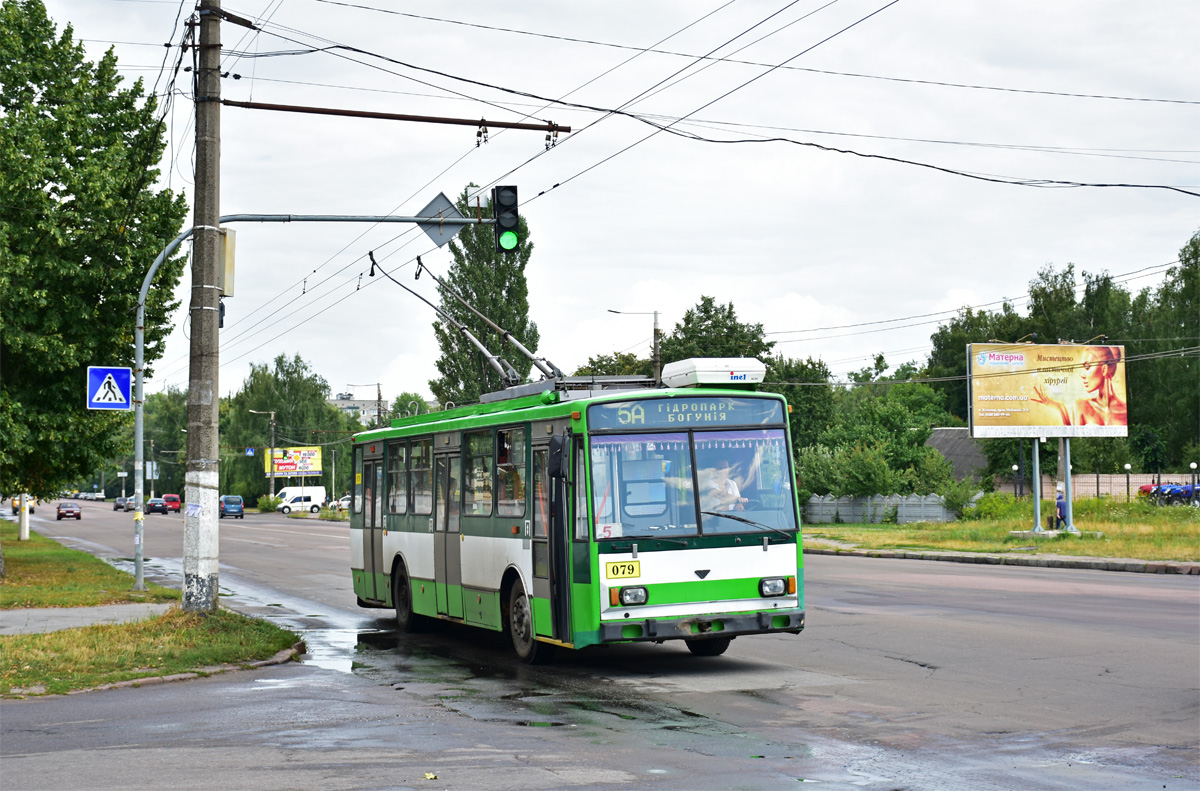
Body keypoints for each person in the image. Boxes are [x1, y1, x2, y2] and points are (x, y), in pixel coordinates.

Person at [1030, 346, 1127, 426]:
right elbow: (1071, 433)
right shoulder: (1082, 406)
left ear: (1104, 369)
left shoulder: (1124, 411)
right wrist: (1060, 407)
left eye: (1087, 367)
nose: (1082, 375)